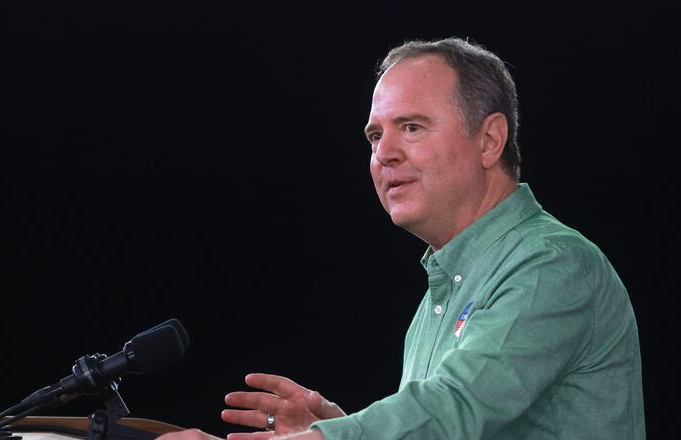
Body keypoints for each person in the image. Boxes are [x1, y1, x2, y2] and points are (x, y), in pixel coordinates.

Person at [159, 37, 646, 440]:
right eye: (374, 137)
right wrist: (339, 426)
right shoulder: (439, 299)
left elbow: (453, 409)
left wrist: (326, 439)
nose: (383, 154)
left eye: (411, 127)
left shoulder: (550, 264)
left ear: (489, 140)